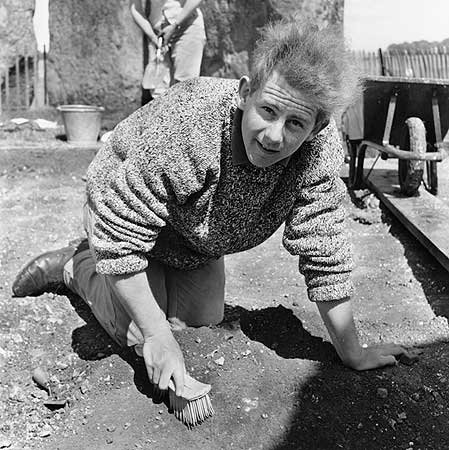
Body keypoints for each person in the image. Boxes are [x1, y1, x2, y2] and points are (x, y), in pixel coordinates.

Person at [12, 19, 409, 399]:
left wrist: (352, 352)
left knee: (198, 323)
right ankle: (76, 264)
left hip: (192, 241)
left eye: (295, 124)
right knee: (133, 330)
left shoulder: (318, 155)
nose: (274, 135)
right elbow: (120, 234)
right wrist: (155, 335)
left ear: (318, 127)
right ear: (244, 92)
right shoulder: (191, 123)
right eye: (268, 110)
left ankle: (146, 283)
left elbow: (325, 251)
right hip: (120, 214)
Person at [130, 0, 206, 104]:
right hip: (158, 35)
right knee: (158, 91)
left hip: (187, 27)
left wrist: (175, 25)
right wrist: (152, 36)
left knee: (185, 87)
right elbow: (135, 8)